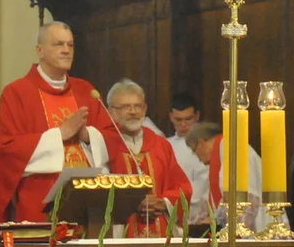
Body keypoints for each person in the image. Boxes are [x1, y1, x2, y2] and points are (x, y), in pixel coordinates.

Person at [0, 20, 119, 247]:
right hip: (40, 215)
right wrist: (59, 134)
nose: (65, 50)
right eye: (58, 44)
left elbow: (113, 140)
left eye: (70, 44)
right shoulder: (17, 93)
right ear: (40, 50)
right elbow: (6, 151)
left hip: (85, 217)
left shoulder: (86, 90)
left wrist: (87, 133)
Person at [104, 78, 193, 237]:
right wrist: (131, 204)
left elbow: (182, 187)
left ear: (145, 108)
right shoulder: (102, 143)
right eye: (125, 107)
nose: (133, 111)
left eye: (138, 106)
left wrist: (163, 202)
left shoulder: (160, 144)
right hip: (119, 231)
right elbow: (96, 191)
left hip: (160, 229)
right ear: (110, 111)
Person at [185, 121, 267, 231]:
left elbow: (246, 198)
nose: (198, 158)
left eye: (194, 151)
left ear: (201, 143)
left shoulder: (233, 150)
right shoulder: (223, 151)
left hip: (255, 229)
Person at [166, 92, 209, 220]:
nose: (183, 125)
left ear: (197, 116)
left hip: (203, 213)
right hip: (173, 210)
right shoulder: (165, 145)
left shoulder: (207, 146)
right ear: (171, 117)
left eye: (188, 119)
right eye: (178, 120)